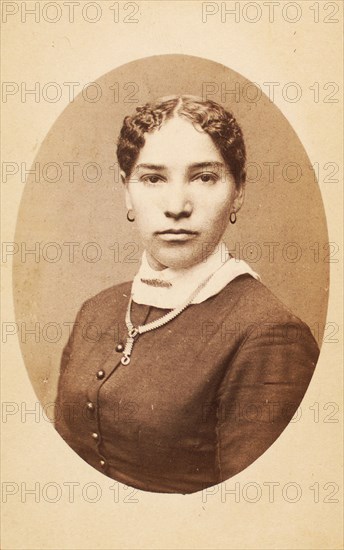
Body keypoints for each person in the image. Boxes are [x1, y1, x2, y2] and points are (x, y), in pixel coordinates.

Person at [54, 95, 319, 494]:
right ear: (127, 192)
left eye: (204, 177)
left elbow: (254, 514)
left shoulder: (270, 334)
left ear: (239, 192)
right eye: (153, 178)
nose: (177, 206)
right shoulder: (96, 311)